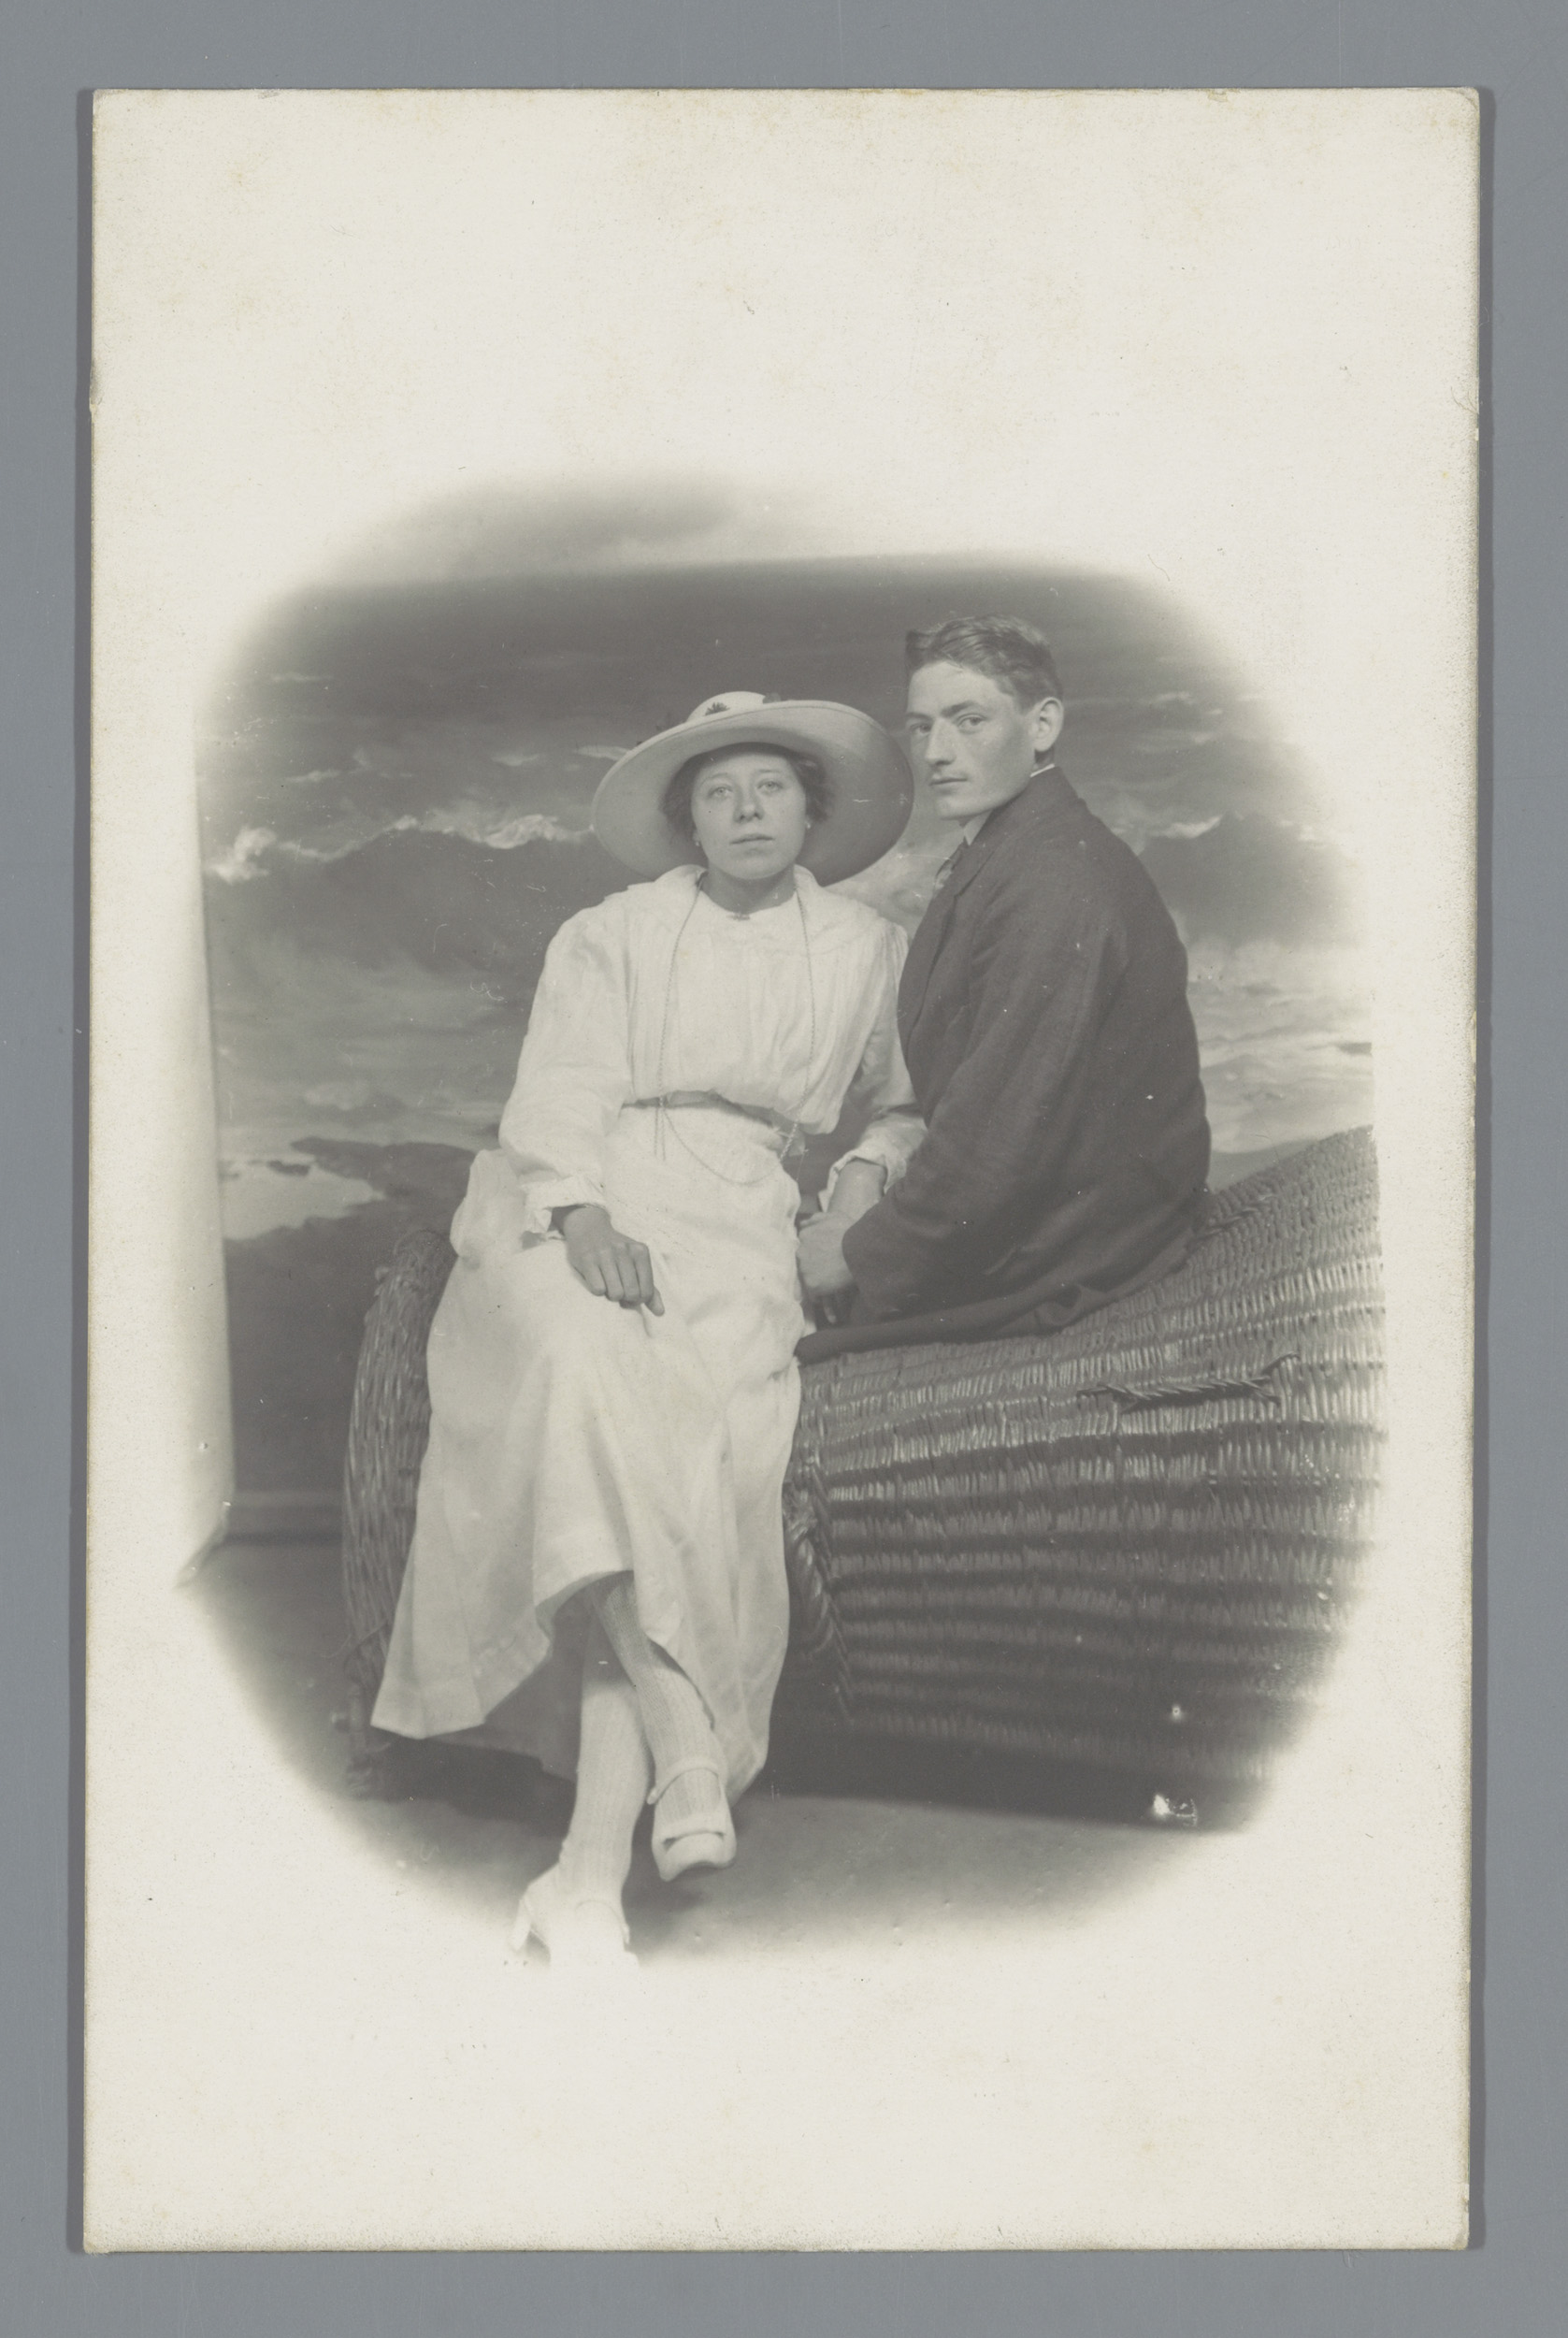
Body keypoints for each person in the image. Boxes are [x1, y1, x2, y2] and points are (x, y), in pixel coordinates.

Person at [371, 690, 921, 1970]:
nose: (746, 811)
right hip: (581, 1189)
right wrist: (577, 1213)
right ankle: (685, 1738)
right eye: (719, 793)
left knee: (689, 1452)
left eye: (770, 788)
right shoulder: (612, 932)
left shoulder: (866, 947)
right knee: (582, 1366)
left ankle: (582, 1877)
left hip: (742, 1218)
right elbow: (560, 1086)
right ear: (688, 820)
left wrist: (857, 1181)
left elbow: (904, 1106)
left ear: (811, 810)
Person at [797, 615, 1210, 1354]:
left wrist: (857, 1254)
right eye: (920, 727)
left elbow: (999, 1135)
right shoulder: (1016, 845)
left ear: (1042, 724)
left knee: (773, 1333)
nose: (935, 753)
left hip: (1077, 1246)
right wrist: (863, 1181)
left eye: (969, 721)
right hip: (1062, 1205)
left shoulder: (1053, 882)